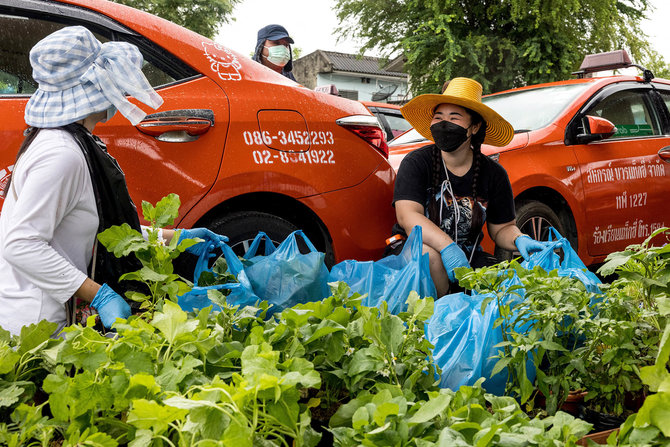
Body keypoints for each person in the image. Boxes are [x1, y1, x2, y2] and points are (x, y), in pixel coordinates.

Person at [0, 26, 225, 336]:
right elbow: (21, 246)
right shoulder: (61, 154)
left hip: (48, 320)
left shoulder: (72, 143)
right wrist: (100, 295)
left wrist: (175, 237)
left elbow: (95, 231)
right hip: (36, 329)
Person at [393, 77, 548, 297]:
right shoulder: (417, 163)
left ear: (474, 127)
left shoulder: (493, 174)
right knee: (430, 257)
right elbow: (408, 217)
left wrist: (519, 239)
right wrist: (447, 247)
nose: (444, 124)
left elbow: (502, 228)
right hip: (413, 251)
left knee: (509, 291)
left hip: (469, 258)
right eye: (438, 117)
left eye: (454, 118)